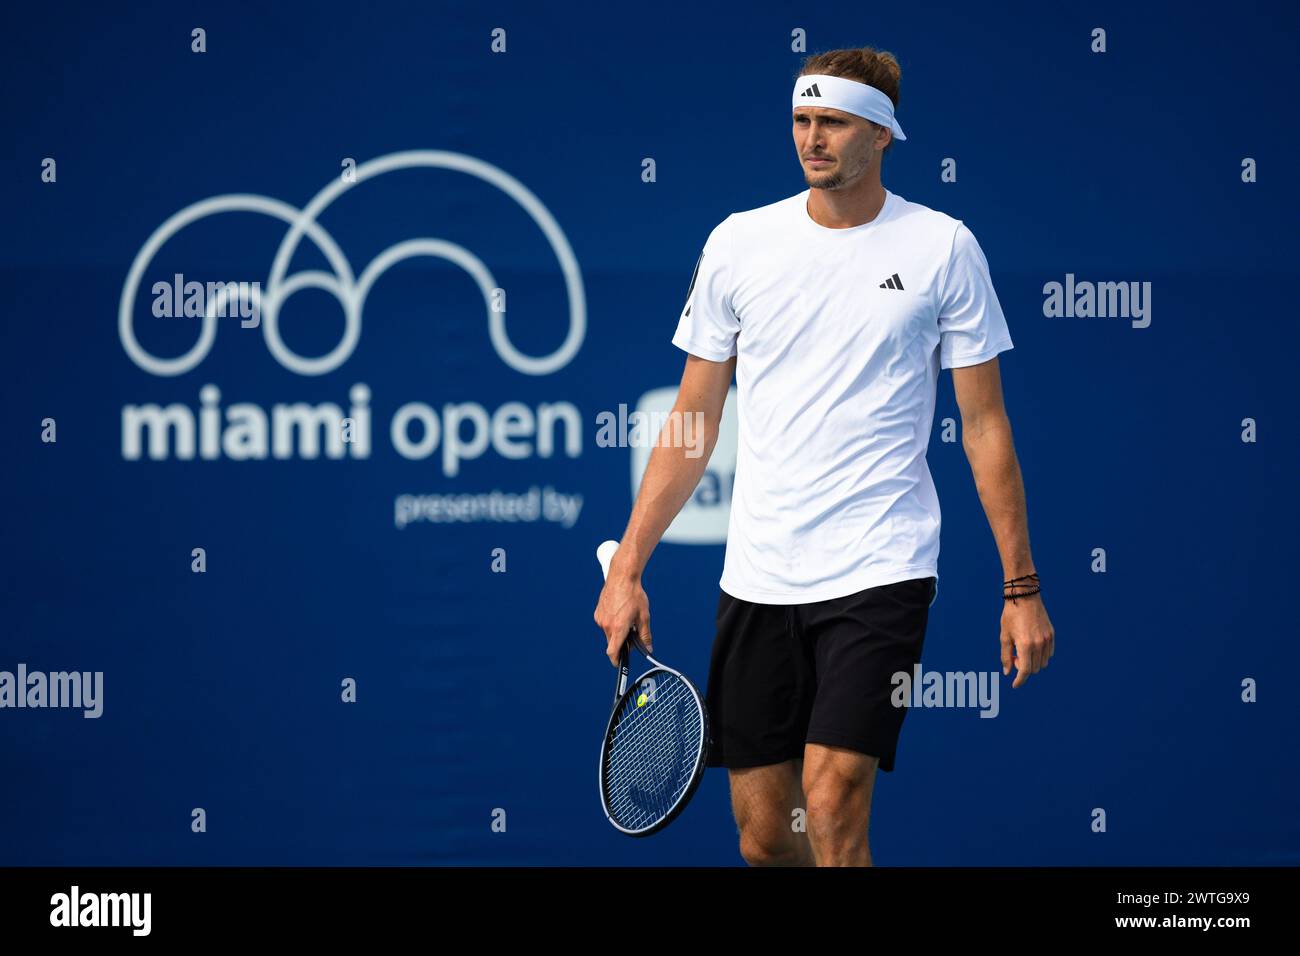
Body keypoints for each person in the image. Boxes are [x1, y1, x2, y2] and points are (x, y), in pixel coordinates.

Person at [593, 46, 1055, 866]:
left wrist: (1021, 587)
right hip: (760, 575)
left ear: (882, 133)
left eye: (833, 121)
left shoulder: (944, 248)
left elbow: (984, 427)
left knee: (833, 800)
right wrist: (628, 565)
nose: (812, 138)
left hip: (883, 565)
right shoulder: (739, 243)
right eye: (802, 121)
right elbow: (694, 415)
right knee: (768, 836)